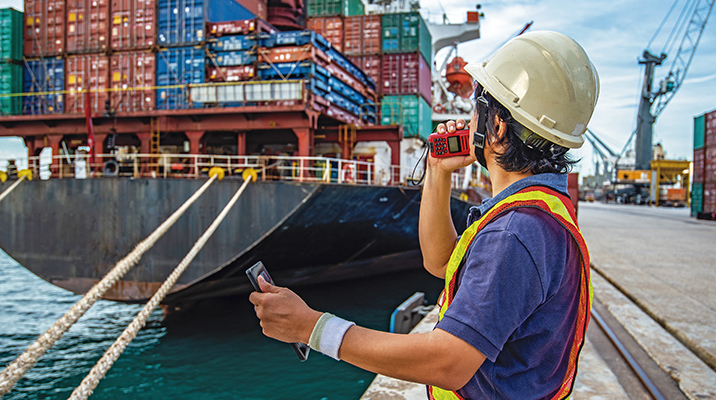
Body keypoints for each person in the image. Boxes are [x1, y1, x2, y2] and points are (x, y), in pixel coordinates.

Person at [249, 30, 599, 399]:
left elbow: (448, 362)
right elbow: (441, 262)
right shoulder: (540, 210)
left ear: (496, 126)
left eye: (476, 109)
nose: (469, 120)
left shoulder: (514, 232)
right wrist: (437, 170)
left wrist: (312, 328)